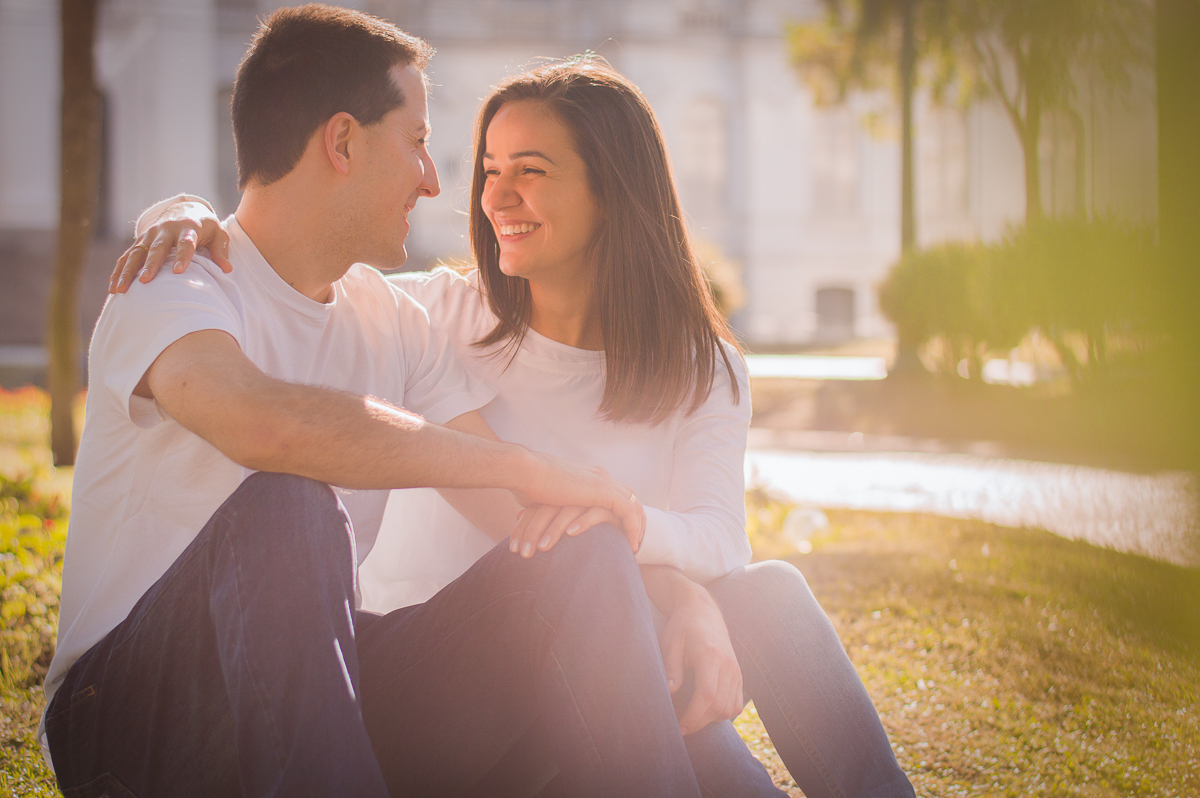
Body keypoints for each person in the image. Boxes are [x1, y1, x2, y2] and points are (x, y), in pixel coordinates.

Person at [121, 55, 917, 798]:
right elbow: (293, 257)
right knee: (678, 703)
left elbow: (718, 538)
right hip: (441, 678)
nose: (494, 197)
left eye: (529, 173)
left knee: (768, 596)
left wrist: (638, 542)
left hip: (599, 667)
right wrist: (184, 211)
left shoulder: (703, 368)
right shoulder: (435, 317)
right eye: (490, 172)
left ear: (616, 191)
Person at [45, 7, 710, 798]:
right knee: (288, 505)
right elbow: (263, 425)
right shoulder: (171, 279)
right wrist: (534, 465)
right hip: (123, 722)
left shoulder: (392, 320)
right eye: (418, 141)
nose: (434, 179)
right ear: (343, 142)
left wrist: (681, 593)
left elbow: (509, 507)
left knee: (578, 559)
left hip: (306, 698)